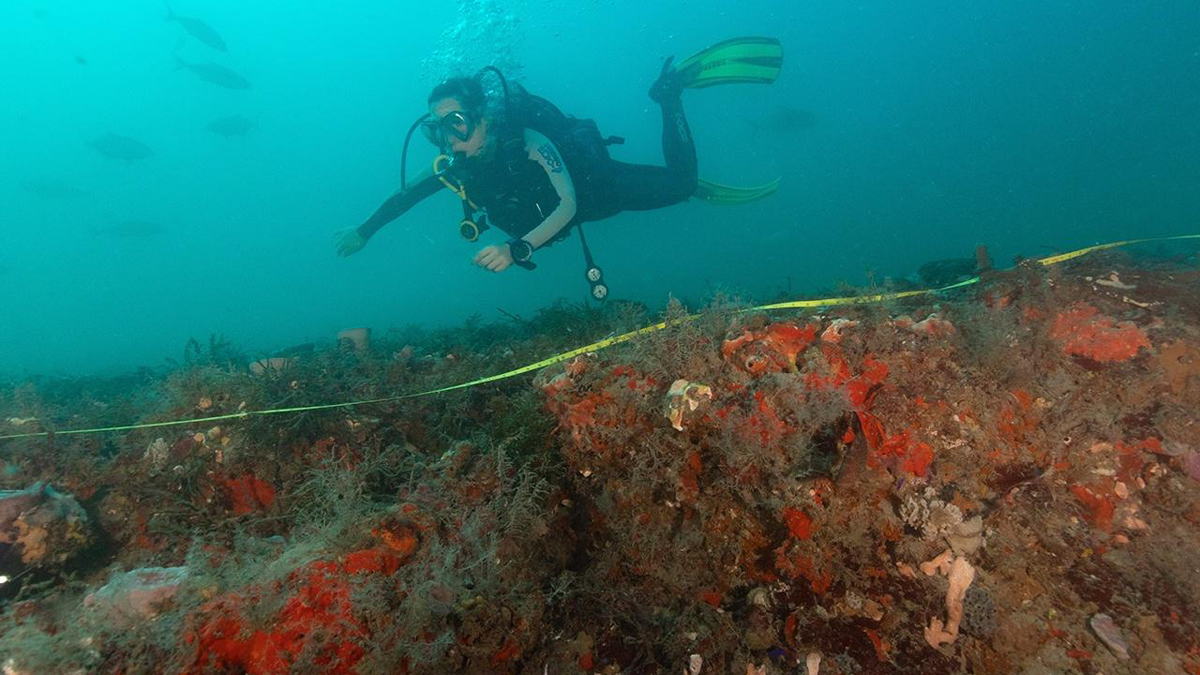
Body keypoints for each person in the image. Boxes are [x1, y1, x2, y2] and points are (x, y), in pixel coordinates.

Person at [336, 37, 783, 283]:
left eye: (456, 123)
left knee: (682, 183)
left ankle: (668, 94)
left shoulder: (527, 142)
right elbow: (407, 195)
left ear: (483, 118)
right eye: (437, 129)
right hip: (557, 215)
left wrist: (516, 249)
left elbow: (568, 204)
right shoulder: (454, 165)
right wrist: (363, 231)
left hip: (599, 191)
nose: (448, 139)